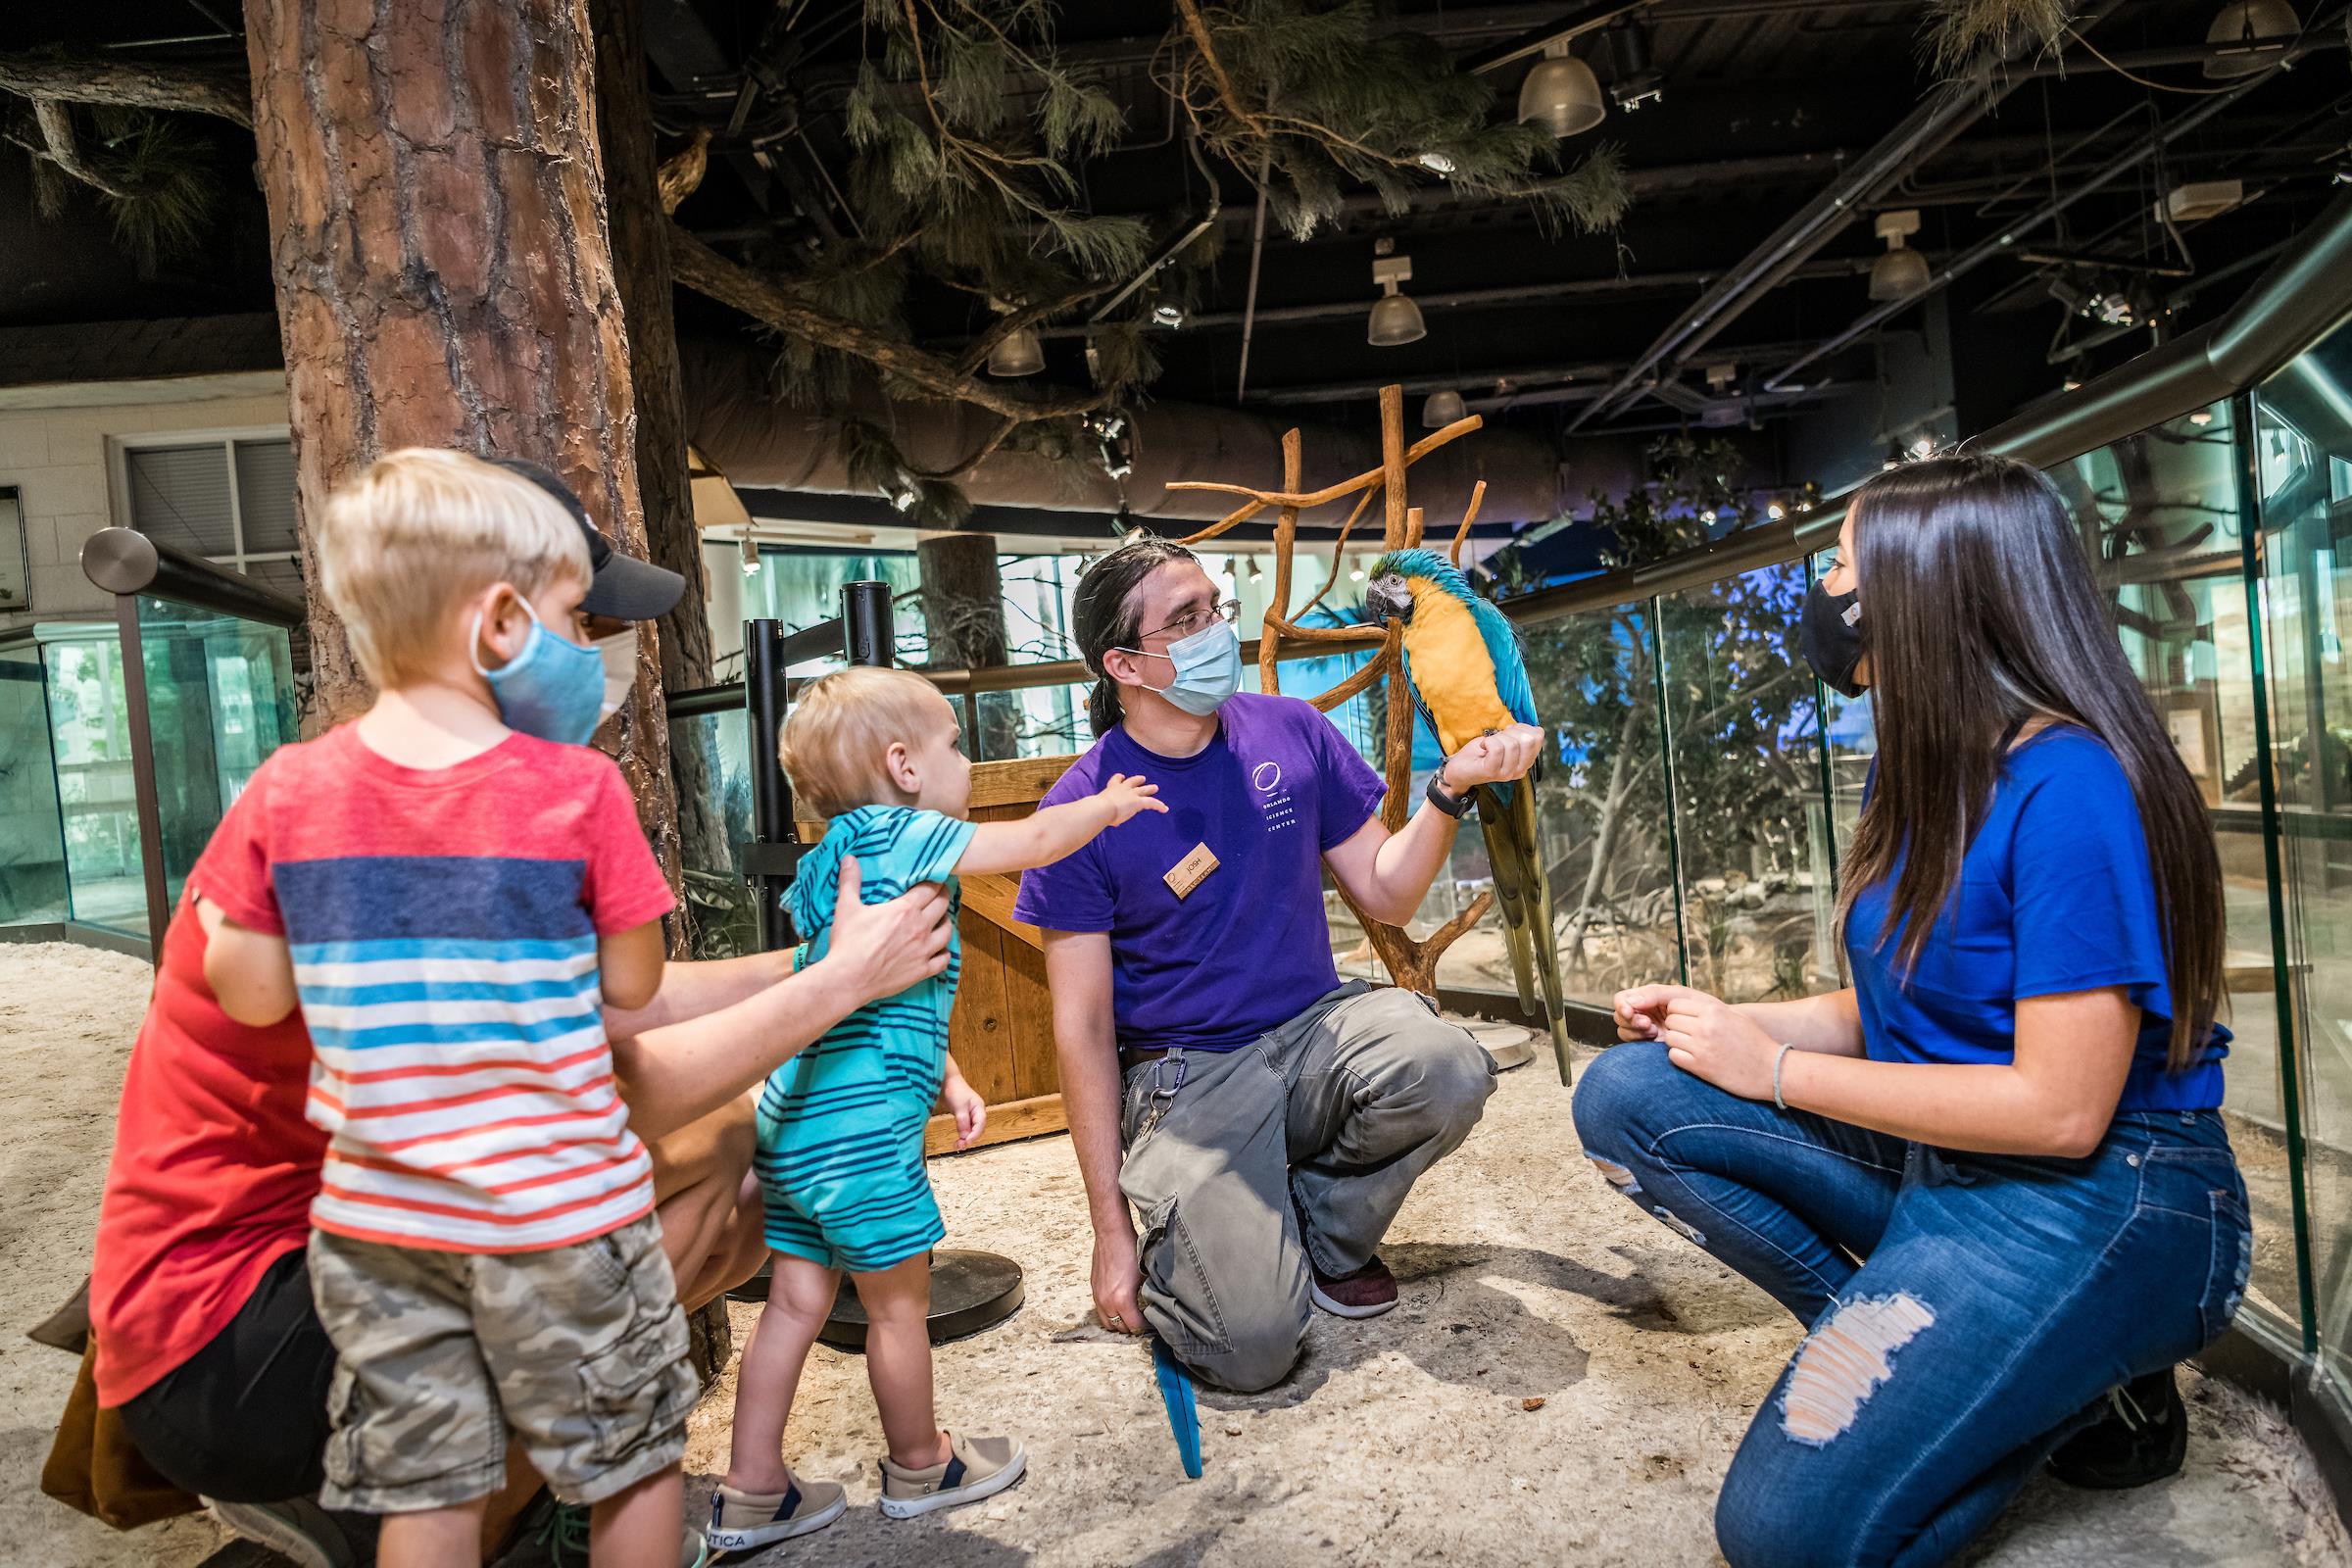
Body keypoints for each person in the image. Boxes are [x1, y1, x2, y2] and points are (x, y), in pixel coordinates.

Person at [85, 458, 955, 1568]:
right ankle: (405, 1509)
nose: (595, 651)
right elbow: (604, 1063)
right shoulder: (505, 812)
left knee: (733, 1155)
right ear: (497, 624)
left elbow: (598, 1003)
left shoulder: (313, 797)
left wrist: (809, 960)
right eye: (573, 616)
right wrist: (839, 987)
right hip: (234, 1331)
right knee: (712, 1179)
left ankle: (443, 1500)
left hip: (321, 1266)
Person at [1569, 452, 2251, 1568]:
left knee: (1782, 1539)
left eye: (1843, 563)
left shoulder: (2073, 783)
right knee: (1630, 1095)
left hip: (2099, 1194)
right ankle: (1963, 1362)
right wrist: (1736, 1029)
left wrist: (1773, 1075)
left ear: (1927, 592)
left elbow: (2063, 1108)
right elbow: (1898, 1000)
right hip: (1947, 1157)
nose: (1827, 589)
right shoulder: (1935, 760)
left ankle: (2075, 1383)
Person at [1012, 535, 1544, 1393]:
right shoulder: (1077, 808)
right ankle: (1209, 1224)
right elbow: (1080, 1029)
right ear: (1123, 663)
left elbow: (1386, 892)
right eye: (1184, 620)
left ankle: (1320, 1228)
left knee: (1446, 1064)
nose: (1213, 629)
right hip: (1188, 1077)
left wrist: (1451, 790)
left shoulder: (1292, 730)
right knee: (1250, 1348)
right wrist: (1109, 1230)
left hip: (1314, 1031)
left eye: (1211, 608)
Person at [710, 667, 1166, 1549]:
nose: (965, 761)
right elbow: (1030, 842)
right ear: (903, 766)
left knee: (795, 1304)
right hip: (863, 1138)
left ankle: (753, 1489)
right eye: (954, 744)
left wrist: (950, 1076)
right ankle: (923, 1464)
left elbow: (867, 991)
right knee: (895, 1309)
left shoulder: (826, 863)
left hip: (794, 1124)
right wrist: (1103, 806)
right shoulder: (908, 835)